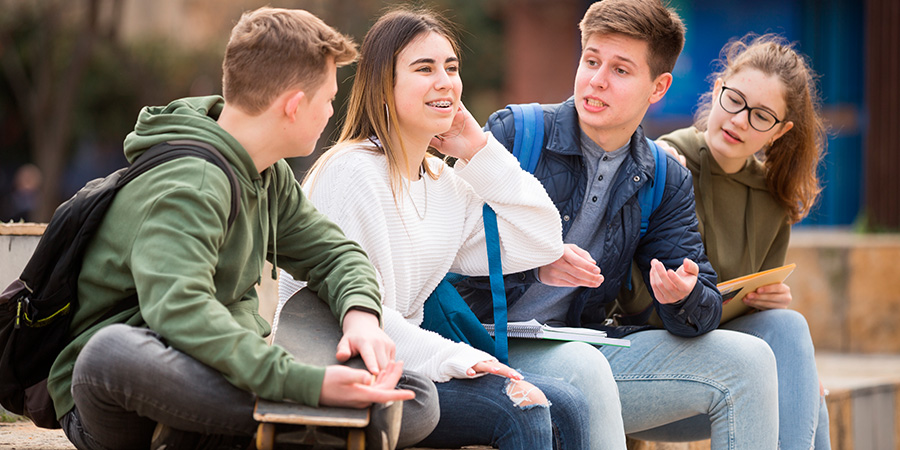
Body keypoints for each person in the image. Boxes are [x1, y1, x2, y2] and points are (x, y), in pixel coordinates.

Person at [48, 7, 436, 450]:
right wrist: (306, 384)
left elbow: (335, 253)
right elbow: (179, 312)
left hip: (224, 377)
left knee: (420, 398)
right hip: (133, 395)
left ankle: (273, 425)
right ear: (293, 105)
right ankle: (309, 418)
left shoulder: (267, 174)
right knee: (109, 355)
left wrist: (362, 317)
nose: (332, 110)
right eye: (328, 98)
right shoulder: (188, 185)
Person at [458, 0, 780, 448]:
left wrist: (683, 297)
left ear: (658, 87)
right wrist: (535, 266)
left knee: (752, 360)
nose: (597, 80)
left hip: (582, 347)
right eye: (591, 60)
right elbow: (445, 263)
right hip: (483, 344)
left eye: (621, 70)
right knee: (585, 364)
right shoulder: (517, 133)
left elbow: (702, 302)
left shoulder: (663, 177)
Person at [279, 7, 589, 449]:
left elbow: (542, 240)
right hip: (338, 364)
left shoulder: (443, 184)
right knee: (523, 407)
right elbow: (360, 315)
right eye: (424, 69)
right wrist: (459, 358)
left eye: (451, 67)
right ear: (384, 85)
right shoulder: (350, 173)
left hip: (404, 360)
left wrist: (480, 151)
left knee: (570, 405)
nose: (444, 81)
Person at [645, 33, 830, 449]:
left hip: (730, 369)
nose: (740, 120)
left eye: (762, 115)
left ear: (779, 132)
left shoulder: (772, 199)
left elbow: (753, 326)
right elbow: (634, 299)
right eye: (734, 100)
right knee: (792, 351)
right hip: (659, 365)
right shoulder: (665, 160)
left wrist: (760, 301)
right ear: (717, 90)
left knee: (795, 351)